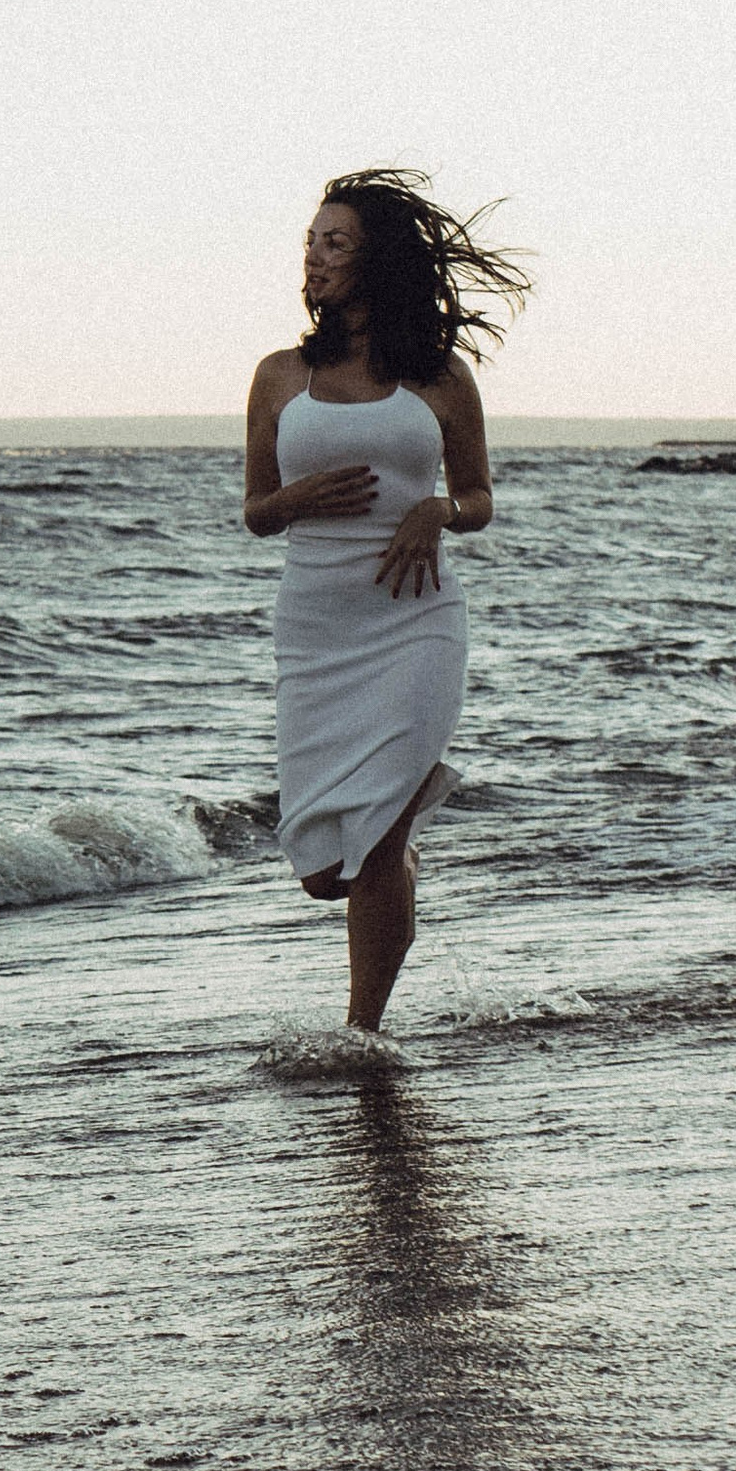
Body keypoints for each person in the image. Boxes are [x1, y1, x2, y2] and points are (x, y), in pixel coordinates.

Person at [243, 172, 530, 1030]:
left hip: (417, 621)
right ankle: (396, 850)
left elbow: (479, 498)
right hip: (318, 633)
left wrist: (438, 511)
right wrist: (297, 502)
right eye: (310, 243)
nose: (314, 259)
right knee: (324, 872)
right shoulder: (278, 375)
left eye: (335, 243)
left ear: (378, 262)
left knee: (372, 845)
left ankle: (360, 1036)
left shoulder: (440, 377)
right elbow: (257, 512)